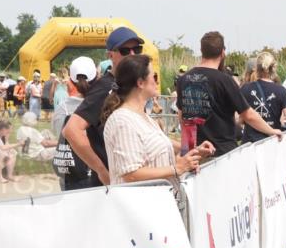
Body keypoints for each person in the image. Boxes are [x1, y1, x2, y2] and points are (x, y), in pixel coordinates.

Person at [103, 55, 214, 185]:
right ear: (140, 83)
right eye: (154, 77)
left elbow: (161, 147)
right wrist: (176, 168)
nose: (157, 82)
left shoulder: (144, 117)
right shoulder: (122, 121)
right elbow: (131, 174)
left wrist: (193, 151)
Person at [175, 30, 281, 156]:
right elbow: (248, 115)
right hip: (222, 154)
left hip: (194, 154)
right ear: (222, 53)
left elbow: (182, 117)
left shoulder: (183, 79)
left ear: (202, 51)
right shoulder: (225, 80)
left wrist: (188, 148)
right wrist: (271, 131)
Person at [63, 26, 143, 187]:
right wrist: (102, 171)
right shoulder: (105, 87)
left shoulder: (128, 87)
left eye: (137, 49)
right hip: (110, 185)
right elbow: (71, 130)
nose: (132, 54)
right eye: (125, 51)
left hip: (131, 179)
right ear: (111, 55)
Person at [53, 56, 100, 191]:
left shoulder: (62, 108)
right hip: (97, 173)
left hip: (71, 173)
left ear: (72, 80)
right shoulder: (102, 104)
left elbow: (60, 136)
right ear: (96, 76)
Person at [241, 51, 286, 142]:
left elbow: (238, 118)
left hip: (249, 143)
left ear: (257, 68)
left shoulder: (245, 88)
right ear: (274, 68)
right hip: (271, 141)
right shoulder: (281, 90)